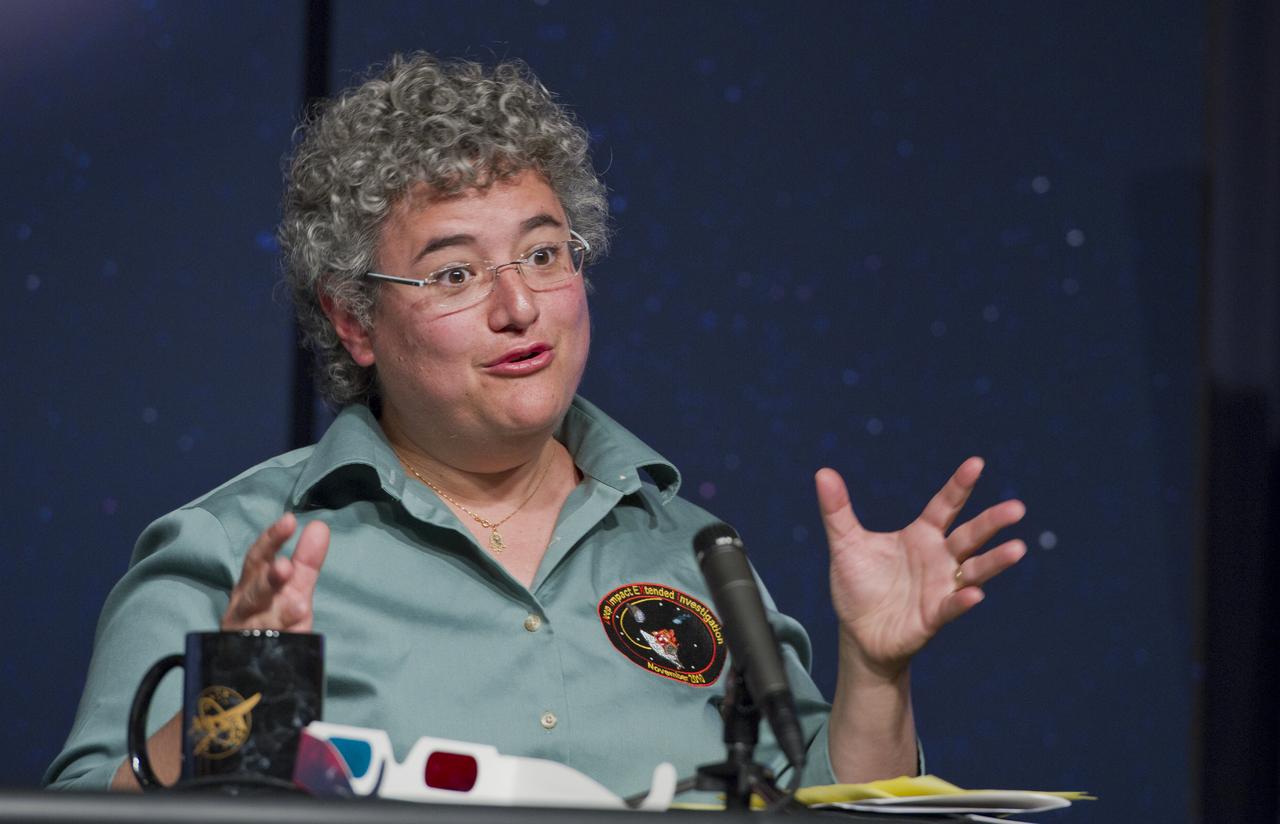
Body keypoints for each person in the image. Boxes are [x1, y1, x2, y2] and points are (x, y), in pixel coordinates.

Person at [45, 52, 1026, 797]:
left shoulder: (689, 548)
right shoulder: (237, 547)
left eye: (545, 252)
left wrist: (876, 669)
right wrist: (246, 694)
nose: (519, 306)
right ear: (354, 318)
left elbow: (824, 801)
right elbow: (86, 809)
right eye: (454, 272)